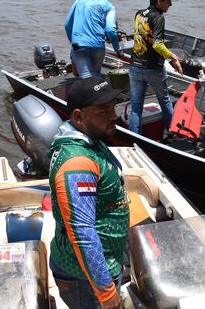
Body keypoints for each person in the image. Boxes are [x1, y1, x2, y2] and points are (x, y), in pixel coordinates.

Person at [48, 76, 129, 309]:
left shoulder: (91, 139)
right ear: (78, 117)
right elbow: (83, 234)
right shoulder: (77, 164)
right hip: (84, 279)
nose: (113, 115)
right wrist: (105, 293)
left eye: (113, 107)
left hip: (106, 262)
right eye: (103, 111)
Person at [129, 0, 182, 135]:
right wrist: (173, 57)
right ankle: (173, 134)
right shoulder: (158, 18)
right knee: (164, 101)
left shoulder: (139, 14)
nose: (170, 5)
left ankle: (134, 138)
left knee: (136, 107)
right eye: (168, 2)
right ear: (159, 1)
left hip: (135, 66)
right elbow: (157, 44)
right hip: (152, 68)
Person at [65, 0, 123, 79]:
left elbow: (67, 25)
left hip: (79, 46)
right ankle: (95, 89)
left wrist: (73, 41)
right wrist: (117, 49)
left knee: (85, 76)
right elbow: (111, 30)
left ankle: (87, 88)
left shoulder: (79, 1)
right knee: (95, 76)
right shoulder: (109, 6)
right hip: (97, 46)